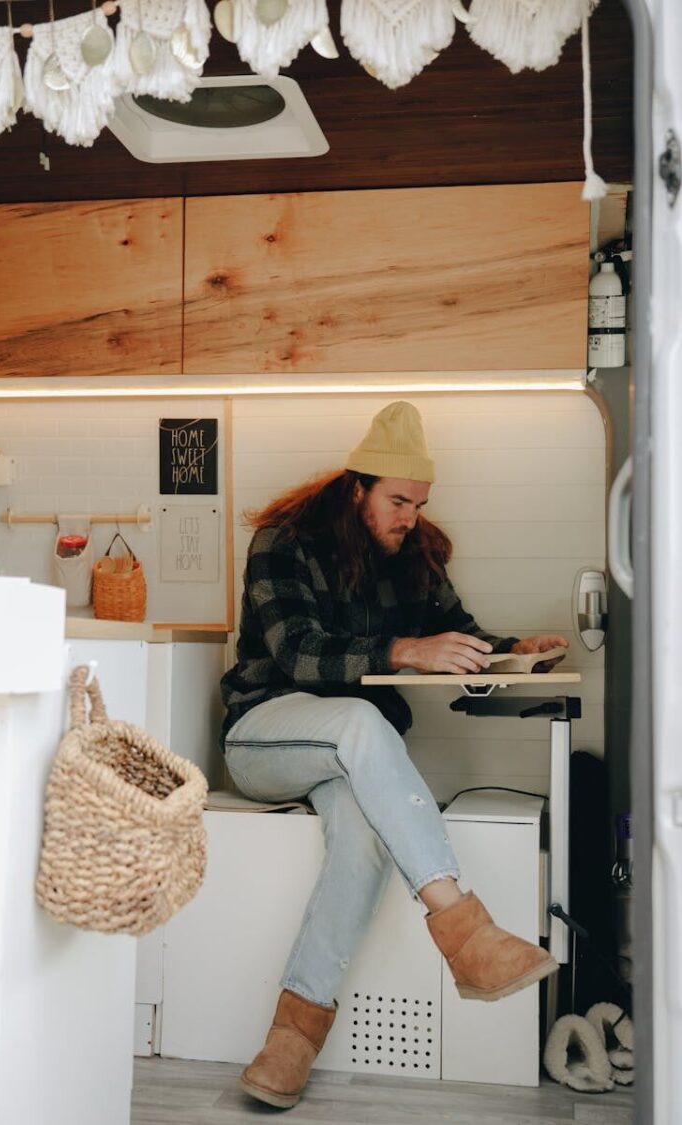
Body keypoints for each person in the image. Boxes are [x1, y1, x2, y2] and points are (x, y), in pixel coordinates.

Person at [220, 401, 568, 1110]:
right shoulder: (283, 540)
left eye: (419, 502)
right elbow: (298, 653)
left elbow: (455, 630)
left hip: (352, 751)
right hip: (266, 735)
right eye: (398, 500)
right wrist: (404, 649)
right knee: (358, 720)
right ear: (358, 491)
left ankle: (290, 1040)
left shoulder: (413, 555)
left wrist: (508, 649)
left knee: (363, 841)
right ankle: (465, 929)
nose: (410, 516)